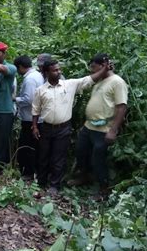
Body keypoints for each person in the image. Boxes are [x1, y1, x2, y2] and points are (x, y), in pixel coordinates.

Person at [32, 59, 110, 195]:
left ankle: (54, 186)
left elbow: (89, 79)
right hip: (45, 128)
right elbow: (36, 110)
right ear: (46, 72)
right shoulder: (40, 90)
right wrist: (34, 126)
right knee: (43, 156)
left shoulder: (69, 85)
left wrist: (104, 69)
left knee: (59, 158)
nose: (58, 72)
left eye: (59, 69)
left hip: (63, 129)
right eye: (55, 70)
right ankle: (41, 182)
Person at [69, 53, 128, 196]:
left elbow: (122, 107)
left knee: (98, 159)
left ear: (103, 66)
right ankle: (84, 177)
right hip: (89, 126)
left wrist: (113, 130)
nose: (92, 71)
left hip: (104, 129)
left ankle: (103, 188)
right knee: (81, 152)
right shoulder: (100, 81)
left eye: (94, 67)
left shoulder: (117, 82)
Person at [13, 55, 44, 180]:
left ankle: (29, 172)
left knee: (27, 147)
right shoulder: (37, 75)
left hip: (30, 118)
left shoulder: (30, 79)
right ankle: (33, 172)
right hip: (37, 117)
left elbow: (29, 99)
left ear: (20, 67)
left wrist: (15, 99)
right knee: (33, 146)